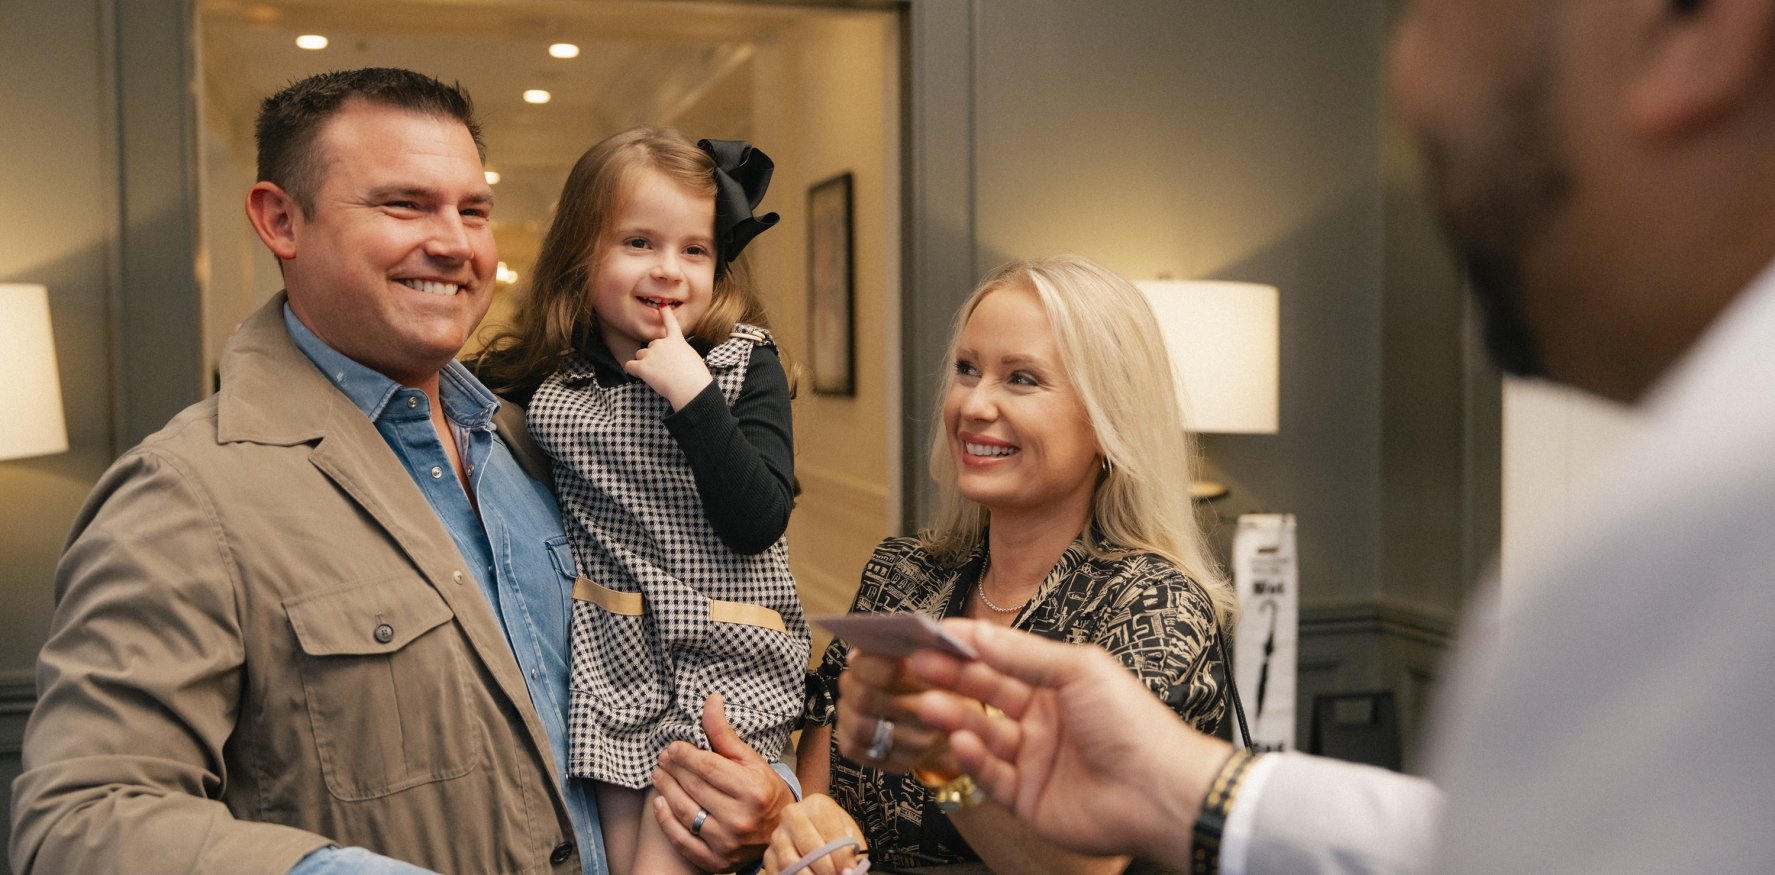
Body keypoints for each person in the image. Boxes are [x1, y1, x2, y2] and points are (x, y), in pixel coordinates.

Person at [886, 0, 1775, 872]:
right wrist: (1190, 785)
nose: (1406, 78)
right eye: (967, 370)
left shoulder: (1710, 536)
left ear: (1695, 26)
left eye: (1439, 16)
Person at [8, 68, 790, 875]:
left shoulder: (545, 445)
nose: (453, 243)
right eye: (403, 204)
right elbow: (79, 824)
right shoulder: (188, 493)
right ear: (281, 220)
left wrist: (760, 802)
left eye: (473, 209)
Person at [765, 256, 1240, 875]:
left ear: (1106, 419)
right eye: (967, 370)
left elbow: (1087, 866)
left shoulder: (1152, 605)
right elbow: (820, 790)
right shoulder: (902, 574)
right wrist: (798, 824)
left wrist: (944, 761)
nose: (974, 404)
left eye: (1021, 379)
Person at [472, 126, 808, 875]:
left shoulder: (740, 363)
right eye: (638, 243)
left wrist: (691, 395)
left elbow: (757, 519)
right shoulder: (555, 379)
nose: (669, 270)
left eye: (694, 249)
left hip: (723, 657)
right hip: (612, 662)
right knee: (612, 861)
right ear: (581, 254)